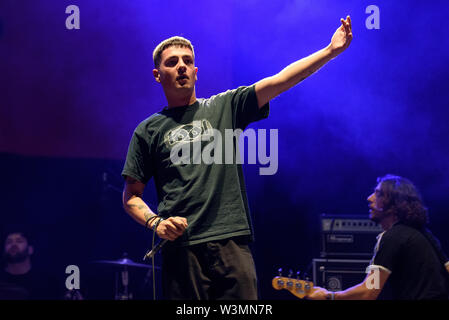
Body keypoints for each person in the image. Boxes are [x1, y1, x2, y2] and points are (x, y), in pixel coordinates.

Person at [122, 16, 353, 299]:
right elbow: (131, 195)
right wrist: (157, 223)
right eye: (172, 62)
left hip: (231, 241)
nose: (181, 66)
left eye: (186, 61)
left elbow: (280, 81)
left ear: (196, 72)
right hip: (182, 248)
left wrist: (330, 51)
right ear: (158, 74)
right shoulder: (148, 130)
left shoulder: (226, 106)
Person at [307, 174, 449, 300]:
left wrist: (329, 296)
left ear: (395, 204)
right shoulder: (426, 235)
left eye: (378, 194)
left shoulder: (392, 237)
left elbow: (369, 291)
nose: (369, 198)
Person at [0, 230, 59, 300]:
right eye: (9, 242)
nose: (13, 245)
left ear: (30, 250)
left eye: (19, 241)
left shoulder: (48, 281)